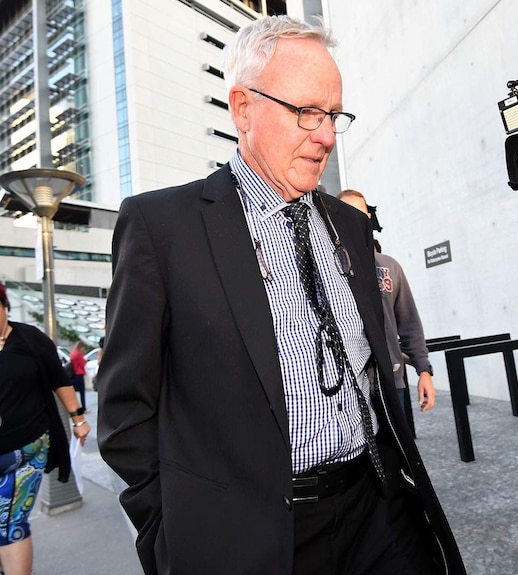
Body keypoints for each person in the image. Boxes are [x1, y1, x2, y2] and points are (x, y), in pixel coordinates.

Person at [97, 15, 465, 575]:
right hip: (253, 540)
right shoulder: (161, 227)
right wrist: (167, 531)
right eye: (307, 113)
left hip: (379, 513)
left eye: (334, 115)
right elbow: (125, 409)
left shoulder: (349, 224)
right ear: (243, 108)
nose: (326, 136)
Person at [0, 282, 90, 575]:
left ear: (5, 307)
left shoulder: (30, 339)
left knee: (11, 522)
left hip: (27, 446)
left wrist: (78, 419)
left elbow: (59, 381)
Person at [338, 190, 436, 416]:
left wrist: (424, 370)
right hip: (349, 385)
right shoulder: (329, 267)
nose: (353, 219)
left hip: (391, 378)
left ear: (368, 218)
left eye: (358, 213)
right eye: (345, 213)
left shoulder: (389, 266)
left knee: (395, 450)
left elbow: (409, 322)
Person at [68, 340, 87, 411]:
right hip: (79, 374)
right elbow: (82, 364)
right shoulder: (79, 354)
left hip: (73, 375)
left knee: (73, 392)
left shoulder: (73, 353)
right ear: (81, 347)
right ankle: (84, 408)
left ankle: (74, 408)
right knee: (82, 392)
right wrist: (85, 360)